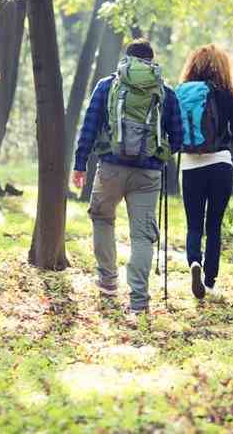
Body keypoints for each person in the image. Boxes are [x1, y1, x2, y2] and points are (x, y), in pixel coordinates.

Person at [72, 38, 183, 317]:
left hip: (110, 167)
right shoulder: (165, 92)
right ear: (151, 61)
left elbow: (89, 126)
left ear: (127, 59)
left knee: (102, 218)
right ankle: (138, 300)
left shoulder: (107, 85)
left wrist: (80, 164)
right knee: (142, 236)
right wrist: (160, 153)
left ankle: (108, 281)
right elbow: (179, 136)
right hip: (148, 172)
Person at [176, 45, 233, 300]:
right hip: (220, 164)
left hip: (191, 165)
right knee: (214, 225)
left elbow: (173, 132)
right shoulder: (228, 94)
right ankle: (209, 282)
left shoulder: (181, 94)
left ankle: (194, 261)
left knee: (194, 224)